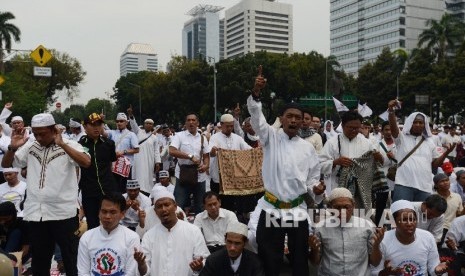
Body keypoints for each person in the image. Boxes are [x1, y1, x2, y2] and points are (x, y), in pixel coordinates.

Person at [248, 66, 324, 276]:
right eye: (289, 116)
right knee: (270, 259)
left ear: (302, 121)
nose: (293, 120)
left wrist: (316, 189)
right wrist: (256, 93)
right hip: (271, 208)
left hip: (297, 210)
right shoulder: (270, 137)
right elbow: (256, 117)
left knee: (299, 260)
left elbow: (312, 180)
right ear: (281, 118)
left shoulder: (308, 148)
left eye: (297, 117)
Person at [2, 113, 91, 276]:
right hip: (36, 214)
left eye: (42, 133)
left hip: (63, 213)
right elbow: (6, 164)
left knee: (71, 259)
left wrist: (62, 144)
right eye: (36, 134)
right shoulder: (31, 146)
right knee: (40, 261)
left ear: (54, 130)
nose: (39, 138)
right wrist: (13, 147)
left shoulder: (69, 144)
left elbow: (86, 162)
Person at [387, 100, 454, 202]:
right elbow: (393, 128)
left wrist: (446, 153)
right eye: (415, 122)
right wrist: (391, 112)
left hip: (424, 186)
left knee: (422, 216)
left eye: (421, 122)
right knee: (403, 214)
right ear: (410, 123)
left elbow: (435, 164)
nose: (418, 124)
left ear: (424, 125)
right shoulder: (402, 138)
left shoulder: (430, 142)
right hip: (404, 184)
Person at [308, 188, 384, 276]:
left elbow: (375, 263)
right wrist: (314, 249)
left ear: (353, 206)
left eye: (346, 207)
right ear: (330, 207)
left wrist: (376, 246)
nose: (342, 212)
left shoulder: (367, 226)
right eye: (337, 207)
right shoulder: (321, 228)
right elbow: (315, 262)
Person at [135, 189, 210, 276]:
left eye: (167, 205)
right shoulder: (149, 236)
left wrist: (199, 266)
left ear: (175, 206)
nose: (163, 209)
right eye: (159, 206)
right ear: (155, 211)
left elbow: (204, 259)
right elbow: (145, 271)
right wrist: (141, 264)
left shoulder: (193, 231)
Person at [319, 110, 383, 211]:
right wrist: (335, 162)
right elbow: (320, 166)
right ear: (343, 126)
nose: (354, 130)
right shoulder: (332, 143)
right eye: (350, 127)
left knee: (360, 219)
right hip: (337, 188)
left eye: (357, 128)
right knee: (338, 217)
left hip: (361, 190)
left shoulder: (367, 143)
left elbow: (379, 163)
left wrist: (377, 157)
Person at [371, 200, 448, 275]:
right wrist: (385, 273)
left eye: (412, 219)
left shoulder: (427, 237)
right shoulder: (383, 239)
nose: (409, 223)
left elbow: (433, 269)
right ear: (394, 222)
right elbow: (375, 272)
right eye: (404, 219)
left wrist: (437, 271)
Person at [77, 192, 140, 275]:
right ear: (99, 213)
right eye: (104, 211)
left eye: (113, 212)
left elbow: (131, 272)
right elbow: (83, 272)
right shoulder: (87, 237)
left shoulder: (132, 237)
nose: (107, 216)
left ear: (122, 214)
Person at [78, 113, 117, 230]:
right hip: (89, 189)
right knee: (92, 222)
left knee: (110, 220)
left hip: (107, 188)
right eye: (93, 125)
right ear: (85, 127)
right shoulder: (79, 145)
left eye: (99, 124)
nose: (96, 128)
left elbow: (110, 164)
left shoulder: (109, 143)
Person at [169, 114, 210, 215]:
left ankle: (198, 229)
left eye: (193, 120)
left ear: (198, 123)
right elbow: (172, 151)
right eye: (188, 120)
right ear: (185, 123)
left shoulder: (202, 138)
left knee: (200, 206)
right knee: (178, 205)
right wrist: (190, 156)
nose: (191, 122)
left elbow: (206, 156)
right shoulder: (179, 136)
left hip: (199, 175)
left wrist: (205, 166)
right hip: (183, 174)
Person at [200, 221, 264, 276]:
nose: (232, 248)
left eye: (237, 243)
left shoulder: (254, 261)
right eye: (229, 242)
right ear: (225, 239)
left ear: (245, 243)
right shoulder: (213, 260)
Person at [209, 113, 251, 194]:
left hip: (234, 179)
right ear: (221, 124)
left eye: (231, 126)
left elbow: (249, 150)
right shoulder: (214, 137)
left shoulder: (238, 138)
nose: (229, 128)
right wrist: (213, 150)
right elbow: (211, 154)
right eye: (227, 126)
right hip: (218, 179)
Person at [127, 106, 161, 195]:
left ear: (152, 126)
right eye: (147, 123)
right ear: (144, 124)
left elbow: (156, 151)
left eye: (150, 124)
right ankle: (136, 191)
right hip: (138, 159)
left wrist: (157, 162)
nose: (148, 125)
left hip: (149, 160)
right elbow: (133, 124)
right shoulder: (138, 132)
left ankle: (147, 193)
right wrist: (131, 115)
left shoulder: (154, 138)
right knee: (138, 175)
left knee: (148, 177)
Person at [104, 112, 139, 193]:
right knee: (113, 187)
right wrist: (101, 120)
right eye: (117, 121)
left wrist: (124, 152)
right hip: (113, 165)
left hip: (125, 166)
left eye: (121, 121)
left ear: (126, 122)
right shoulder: (112, 132)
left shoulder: (131, 134)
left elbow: (137, 149)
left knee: (124, 188)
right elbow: (103, 133)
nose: (119, 123)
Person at [375, 121, 397, 225]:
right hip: (382, 179)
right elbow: (375, 162)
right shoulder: (377, 145)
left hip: (397, 179)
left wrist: (394, 158)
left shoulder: (399, 144)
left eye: (391, 130)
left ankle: (396, 226)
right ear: (382, 132)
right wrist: (384, 159)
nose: (389, 132)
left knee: (396, 204)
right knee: (380, 204)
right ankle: (378, 226)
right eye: (386, 130)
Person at [433, 173, 464, 245]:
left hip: (454, 228)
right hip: (438, 228)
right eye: (442, 181)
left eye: (447, 180)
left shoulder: (457, 196)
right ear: (436, 185)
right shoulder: (432, 197)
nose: (445, 183)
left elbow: (460, 215)